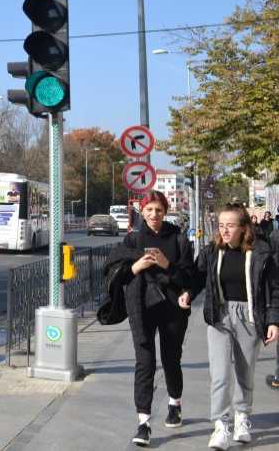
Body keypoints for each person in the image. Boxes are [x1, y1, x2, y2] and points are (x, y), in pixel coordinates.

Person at [179, 203, 279, 449]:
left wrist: (274, 320)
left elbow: (275, 288)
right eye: (221, 225)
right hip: (219, 315)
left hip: (249, 317)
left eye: (230, 226)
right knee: (220, 374)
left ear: (244, 228)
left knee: (244, 373)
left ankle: (242, 417)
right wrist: (188, 293)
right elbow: (199, 276)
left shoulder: (261, 252)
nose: (224, 230)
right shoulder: (213, 251)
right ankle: (221, 425)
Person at [105, 190, 194, 447]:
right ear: (142, 211)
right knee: (144, 362)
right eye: (149, 210)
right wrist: (136, 267)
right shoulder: (133, 240)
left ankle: (174, 403)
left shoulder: (178, 239)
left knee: (170, 359)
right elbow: (114, 273)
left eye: (159, 210)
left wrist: (167, 264)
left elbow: (189, 277)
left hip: (172, 308)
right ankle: (143, 422)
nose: (154, 214)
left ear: (165, 211)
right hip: (141, 308)